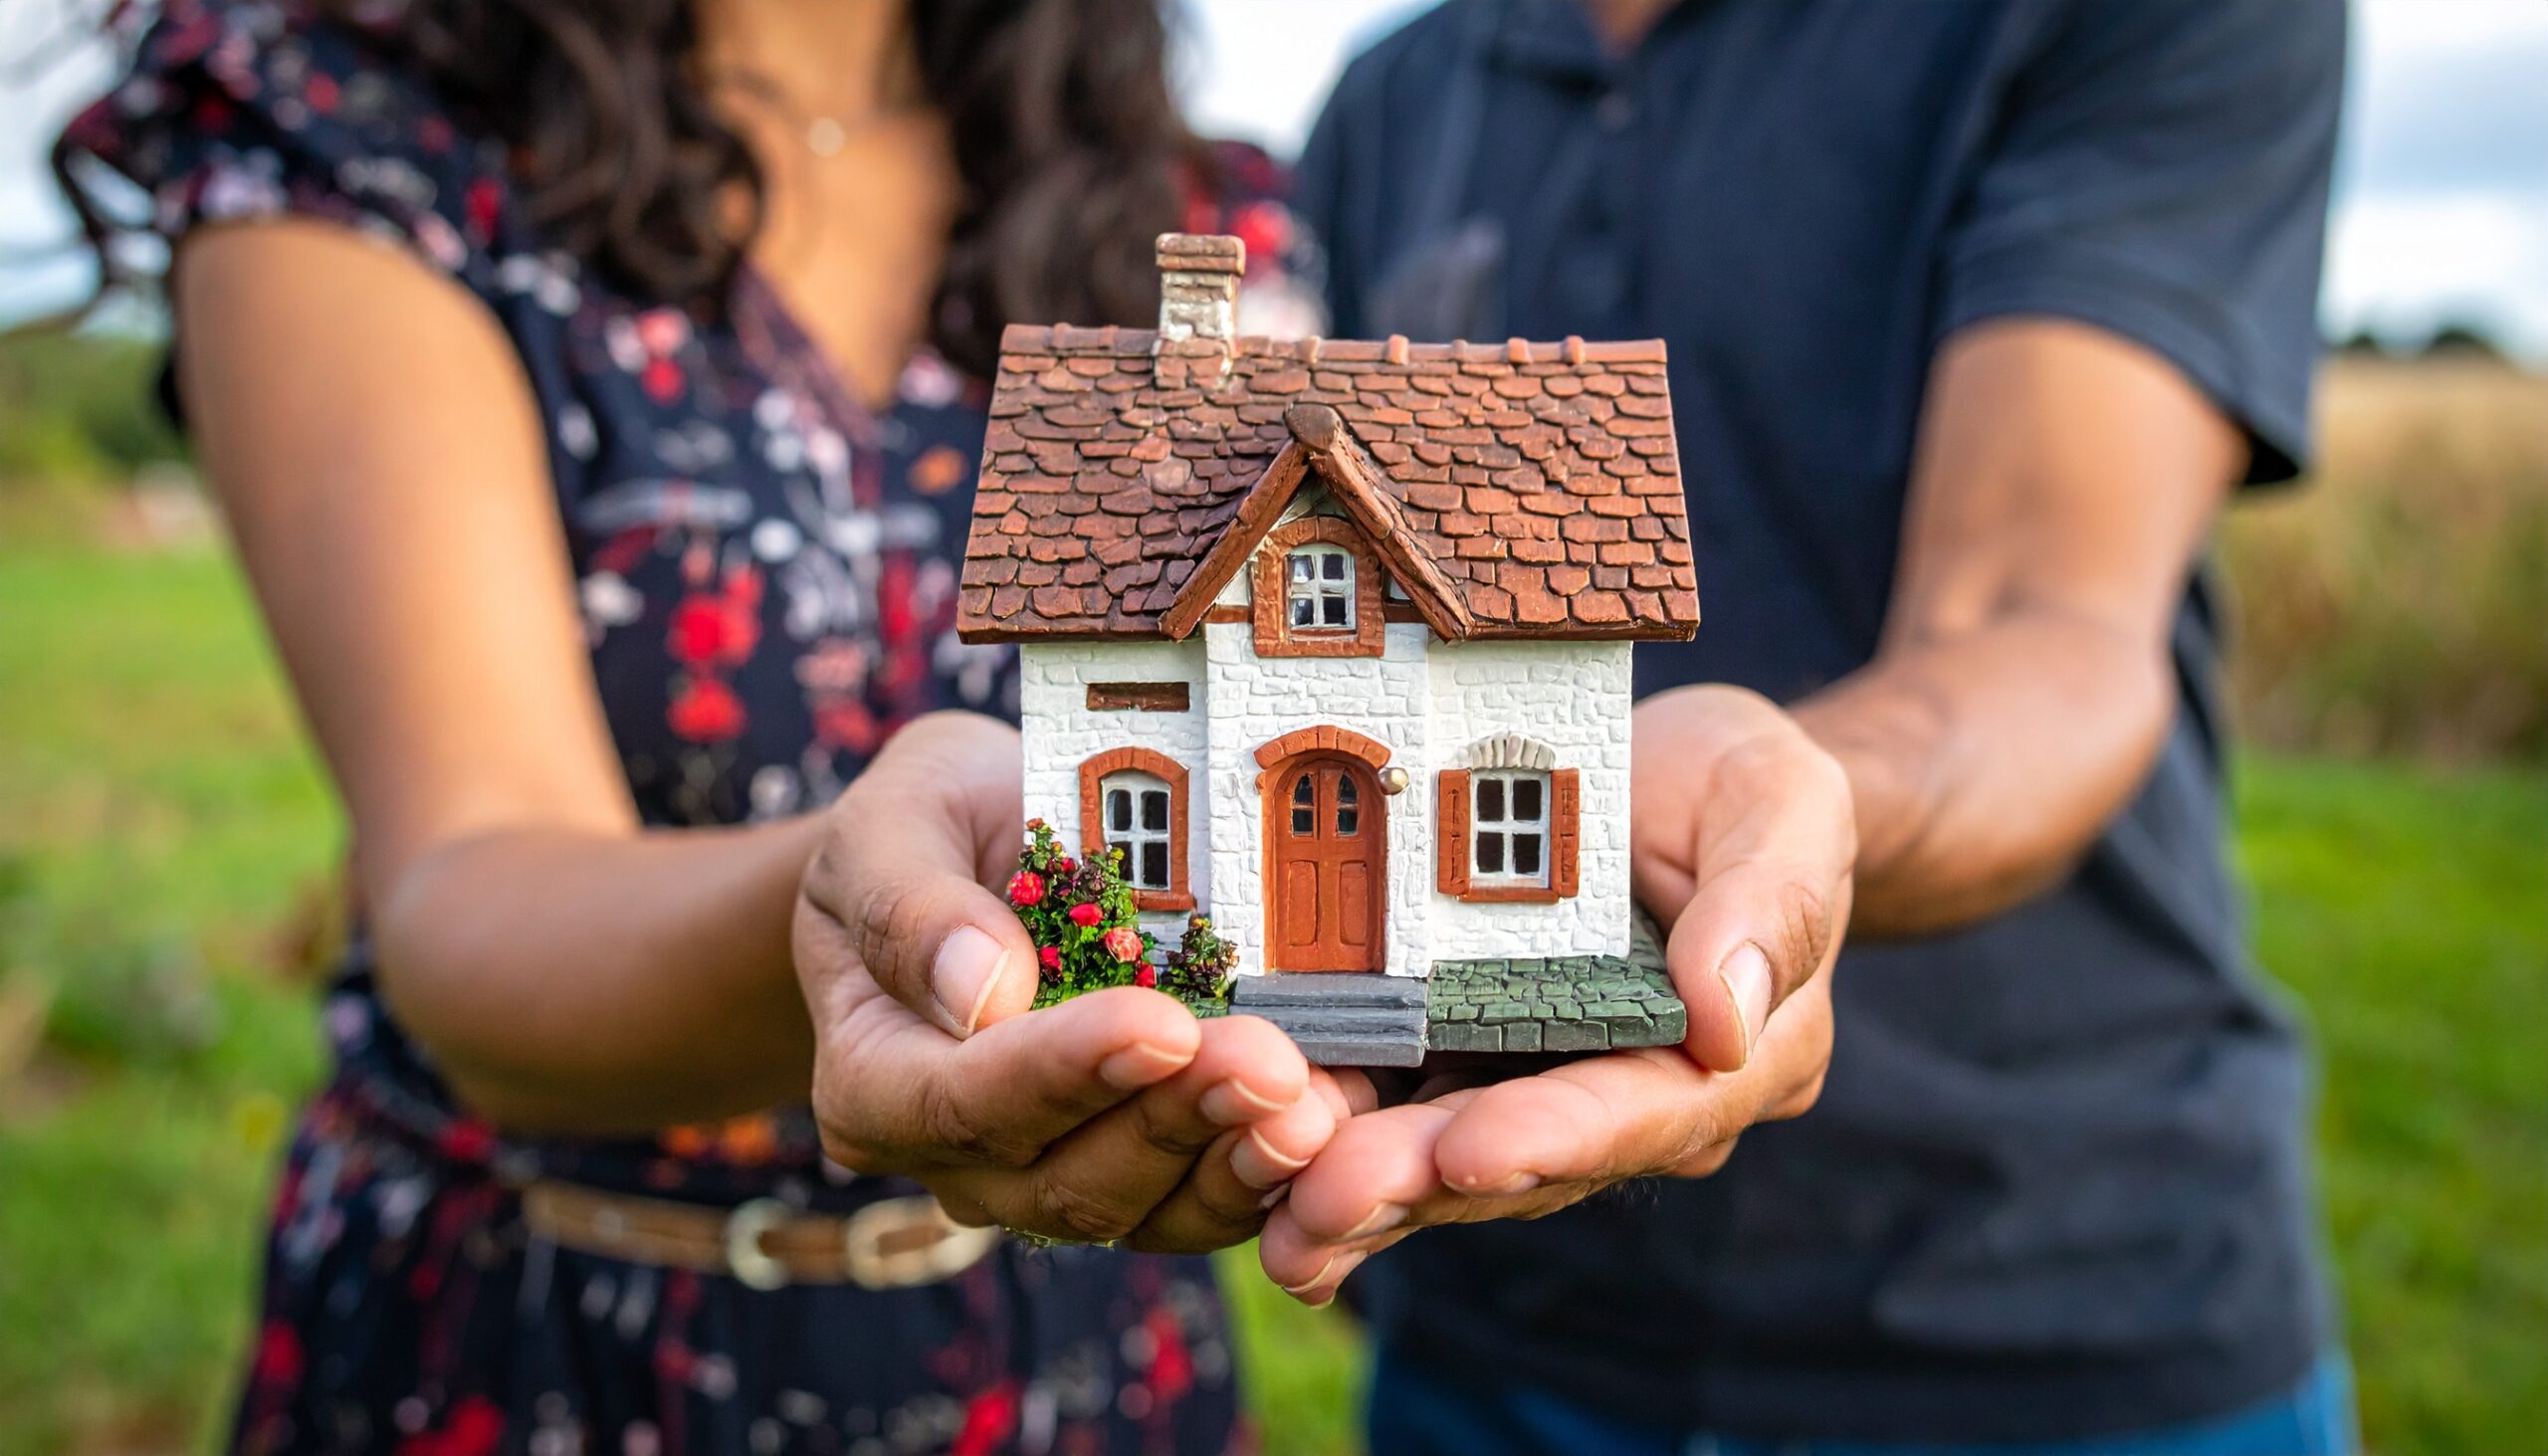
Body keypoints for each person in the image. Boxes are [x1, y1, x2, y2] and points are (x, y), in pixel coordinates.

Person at [54, 1, 1360, 1450]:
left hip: (1079, 1358)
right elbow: (471, 877)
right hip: (545, 1336)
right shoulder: (346, 133)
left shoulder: (1183, 206)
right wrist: (883, 910)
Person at [1276, 0, 2358, 1453]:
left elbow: (2035, 613)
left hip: (2054, 1314)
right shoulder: (1396, 94)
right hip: (1497, 1320)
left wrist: (1777, 807)